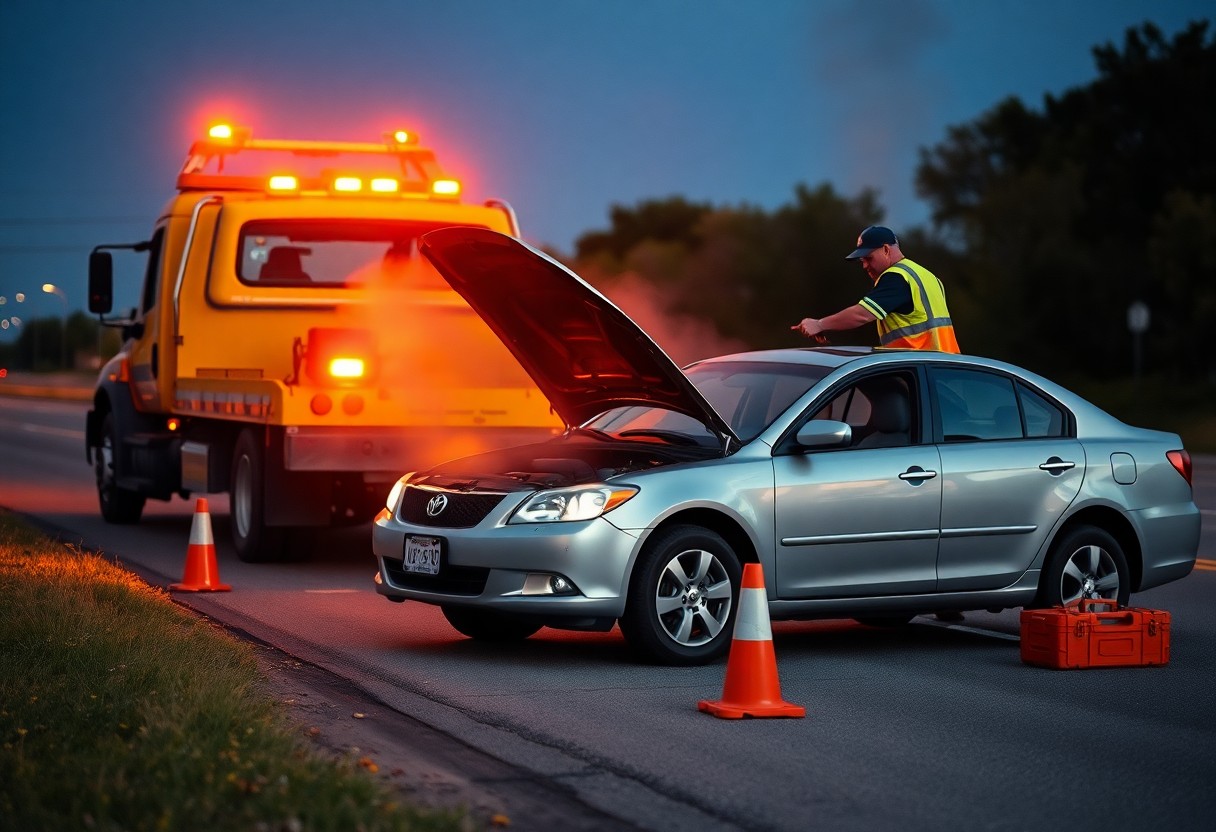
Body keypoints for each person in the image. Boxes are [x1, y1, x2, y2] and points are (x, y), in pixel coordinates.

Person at [792, 225, 959, 353]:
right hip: (941, 370)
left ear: (886, 250)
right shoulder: (927, 276)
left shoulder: (896, 277)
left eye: (868, 258)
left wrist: (820, 324)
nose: (864, 265)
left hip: (917, 370)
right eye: (862, 261)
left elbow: (861, 315)